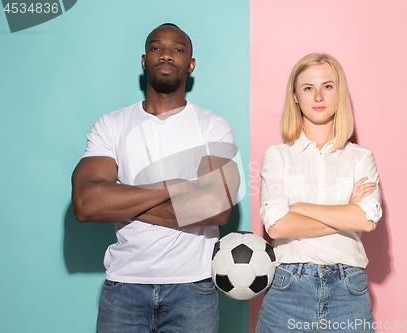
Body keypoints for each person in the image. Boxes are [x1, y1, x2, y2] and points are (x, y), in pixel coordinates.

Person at [71, 23, 239, 333]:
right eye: (155, 47)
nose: (166, 54)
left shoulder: (212, 126)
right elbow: (86, 203)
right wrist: (173, 187)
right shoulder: (111, 125)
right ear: (144, 60)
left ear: (190, 64)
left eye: (177, 49)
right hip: (124, 287)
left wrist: (120, 198)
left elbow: (218, 207)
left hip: (193, 289)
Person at [255, 53, 382, 333]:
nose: (318, 96)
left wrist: (300, 207)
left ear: (340, 93)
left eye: (328, 86)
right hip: (288, 289)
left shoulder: (361, 157)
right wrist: (345, 212)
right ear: (296, 97)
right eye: (308, 88)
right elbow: (277, 226)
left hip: (348, 291)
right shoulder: (277, 155)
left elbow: (366, 220)